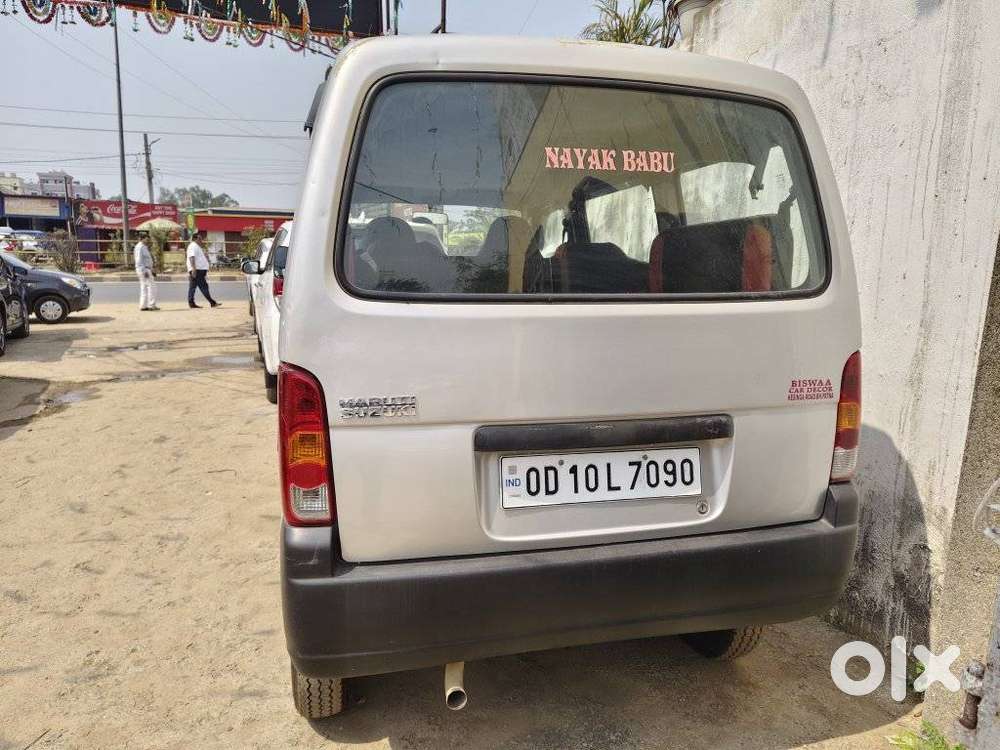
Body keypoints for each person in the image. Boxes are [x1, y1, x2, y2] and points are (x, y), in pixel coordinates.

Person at [186, 231, 220, 309]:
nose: (201, 240)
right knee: (203, 286)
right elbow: (191, 257)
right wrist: (194, 269)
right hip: (197, 270)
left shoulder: (196, 246)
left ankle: (191, 303)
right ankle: (212, 302)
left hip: (198, 270)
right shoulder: (193, 246)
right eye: (200, 238)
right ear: (195, 239)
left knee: (192, 287)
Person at [133, 231, 159, 311]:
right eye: (146, 239)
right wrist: (144, 271)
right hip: (144, 269)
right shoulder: (140, 247)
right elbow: (139, 260)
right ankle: (151, 305)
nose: (148, 240)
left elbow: (146, 259)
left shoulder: (143, 246)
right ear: (142, 239)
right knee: (152, 287)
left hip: (146, 269)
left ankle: (143, 306)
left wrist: (152, 269)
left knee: (144, 287)